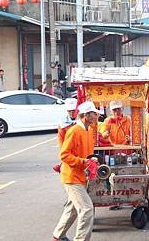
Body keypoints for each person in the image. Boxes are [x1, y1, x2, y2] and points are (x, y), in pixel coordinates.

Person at [52, 101, 99, 241]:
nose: (96, 116)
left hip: (81, 176)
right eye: (93, 114)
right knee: (87, 209)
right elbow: (64, 155)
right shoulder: (73, 131)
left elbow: (87, 154)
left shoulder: (89, 130)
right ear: (85, 115)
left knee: (72, 210)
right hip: (72, 177)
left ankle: (57, 236)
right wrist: (83, 162)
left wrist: (92, 161)